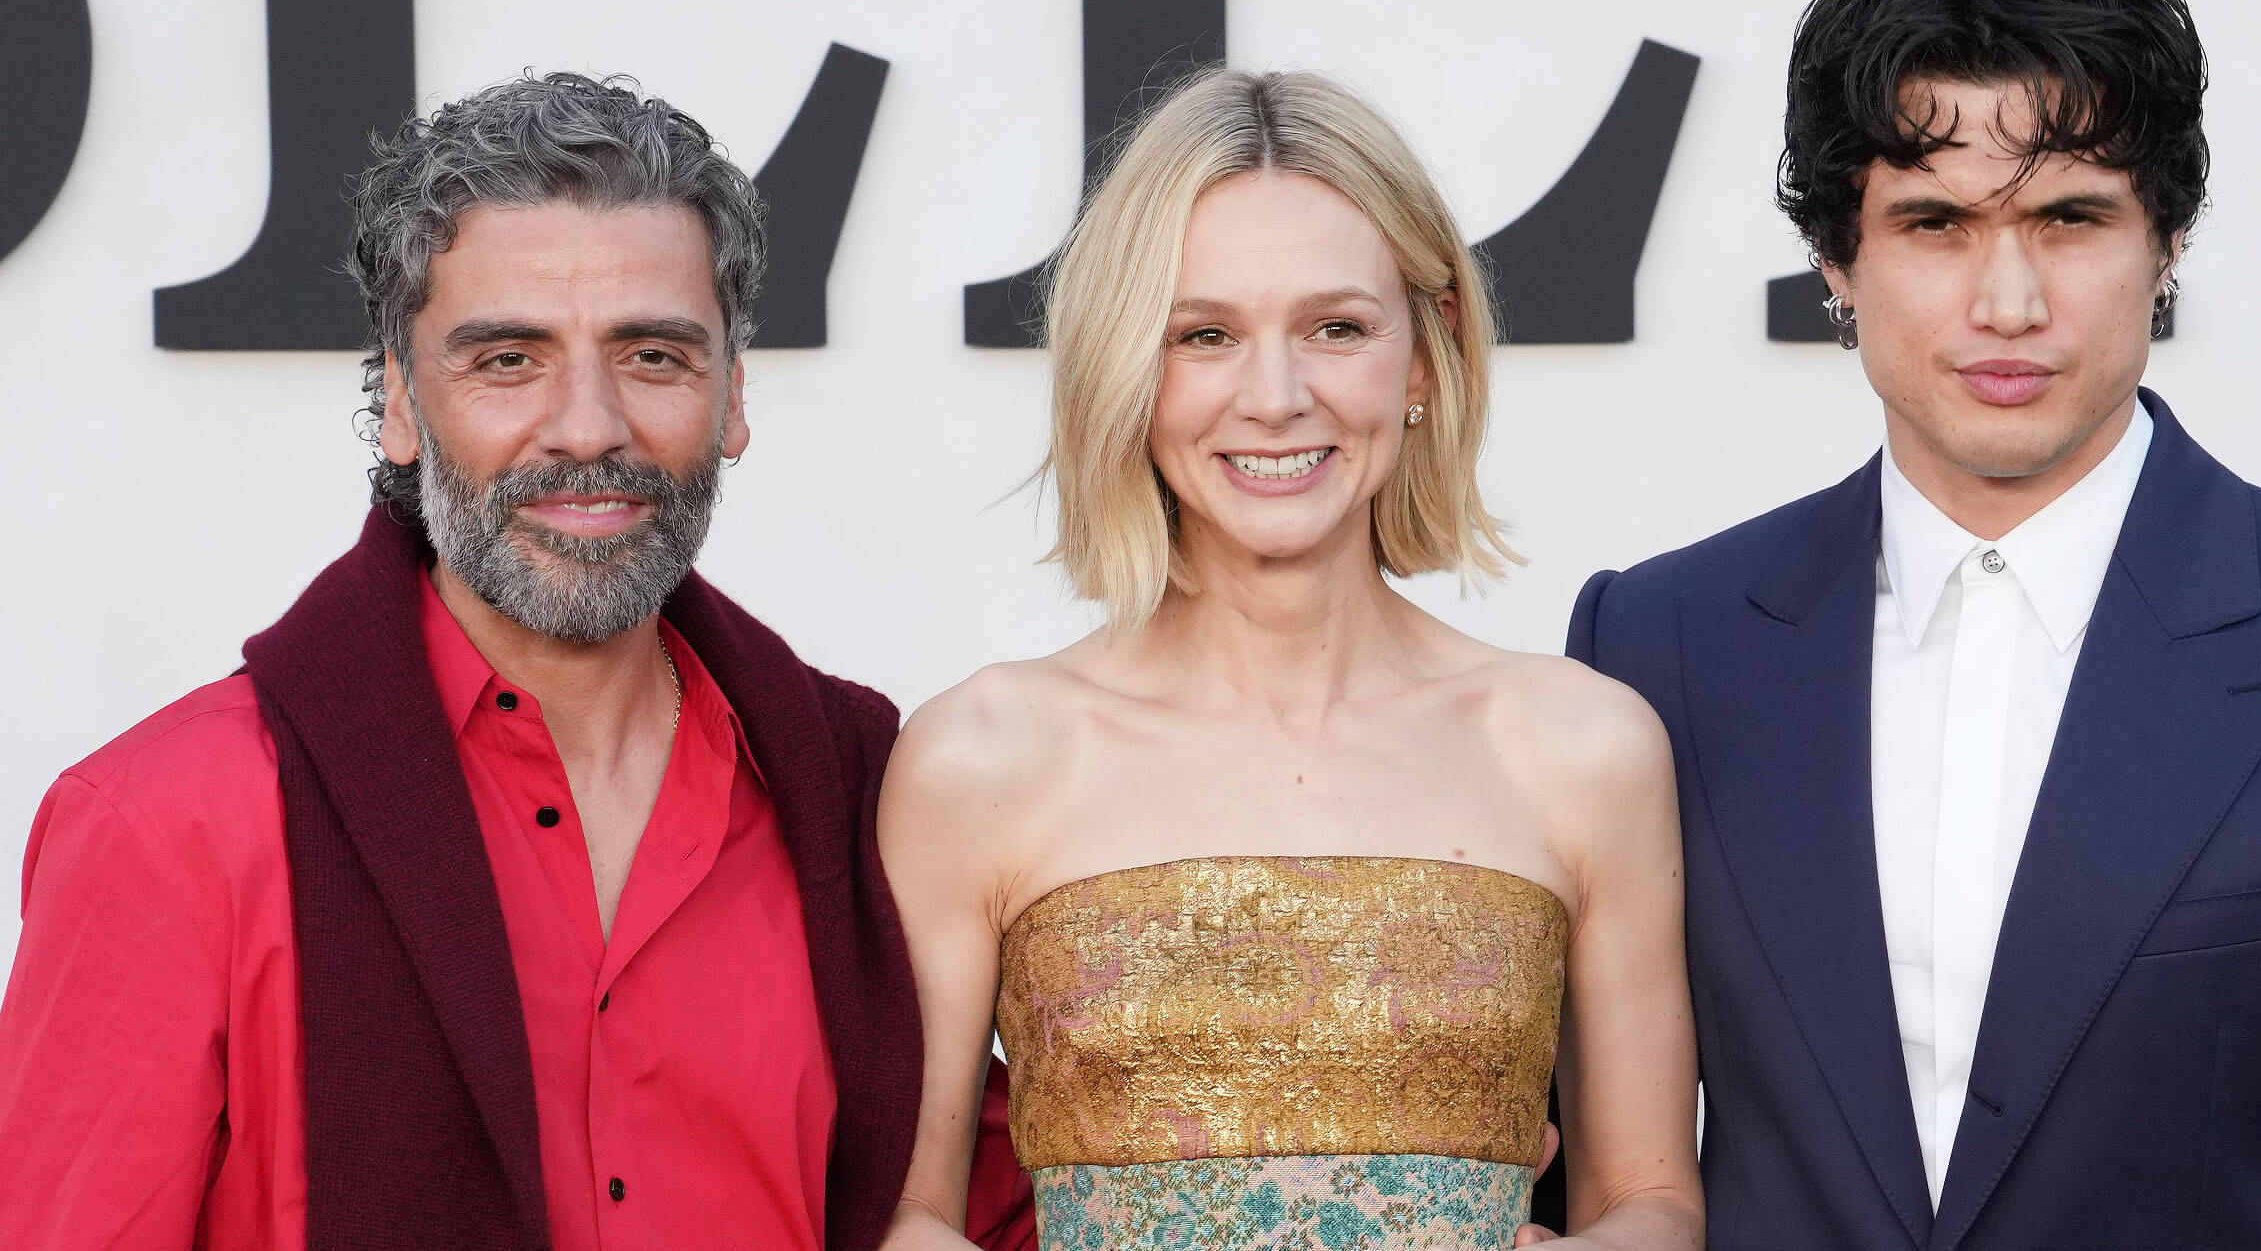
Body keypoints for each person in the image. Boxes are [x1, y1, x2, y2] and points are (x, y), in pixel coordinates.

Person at [1564, 0, 2261, 1248]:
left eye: (2066, 217)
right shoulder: (1656, 644)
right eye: (1932, 223)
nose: (2006, 303)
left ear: (2163, 243)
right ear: (1834, 258)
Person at [0, 73, 1032, 1250]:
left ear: (733, 396)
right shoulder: (169, 824)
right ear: (397, 402)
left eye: (652, 356)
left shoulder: (860, 796)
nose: (587, 427)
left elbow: (980, 1214)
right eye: (507, 360)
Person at [877, 69, 1703, 1251]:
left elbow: (1653, 1199)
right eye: (1203, 335)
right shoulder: (979, 757)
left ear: (1423, 357)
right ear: (1128, 369)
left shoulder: (1580, 746)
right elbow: (906, 1212)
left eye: (1336, 328)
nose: (1274, 396)